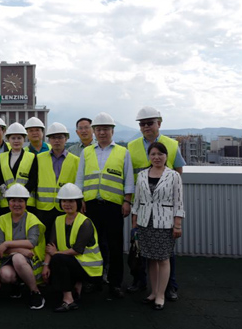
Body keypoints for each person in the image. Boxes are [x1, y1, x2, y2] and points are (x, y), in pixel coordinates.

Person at [127, 106, 186, 300]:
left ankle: (169, 286)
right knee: (142, 250)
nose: (146, 127)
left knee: (166, 252)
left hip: (163, 211)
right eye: (142, 124)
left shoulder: (172, 145)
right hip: (142, 208)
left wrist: (177, 220)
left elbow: (178, 172)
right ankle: (141, 282)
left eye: (149, 123)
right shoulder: (131, 146)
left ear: (159, 123)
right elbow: (130, 177)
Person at [75, 112, 134, 299]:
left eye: (106, 129)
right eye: (99, 129)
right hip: (91, 205)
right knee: (93, 245)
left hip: (113, 205)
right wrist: (80, 199)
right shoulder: (86, 152)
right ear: (94, 131)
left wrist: (127, 201)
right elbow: (80, 178)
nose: (102, 133)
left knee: (116, 246)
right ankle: (94, 280)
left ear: (112, 131)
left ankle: (115, 283)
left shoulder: (123, 152)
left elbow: (129, 179)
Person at [132, 142, 184, 310]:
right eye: (153, 154)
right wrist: (134, 222)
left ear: (166, 156)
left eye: (160, 154)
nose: (156, 157)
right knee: (150, 259)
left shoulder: (173, 175)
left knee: (163, 258)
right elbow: (137, 200)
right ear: (149, 156)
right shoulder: (142, 175)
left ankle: (161, 294)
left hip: (165, 223)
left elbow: (178, 202)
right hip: (145, 221)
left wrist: (177, 225)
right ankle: (153, 292)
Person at [42, 183, 102, 313]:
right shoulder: (58, 220)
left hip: (89, 268)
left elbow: (77, 250)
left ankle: (68, 300)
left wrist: (56, 253)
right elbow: (51, 245)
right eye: (64, 201)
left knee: (57, 259)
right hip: (71, 262)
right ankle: (75, 288)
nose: (67, 204)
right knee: (56, 261)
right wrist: (45, 265)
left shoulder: (85, 222)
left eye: (71, 201)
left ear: (78, 203)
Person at [0, 184, 46, 310]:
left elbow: (31, 243)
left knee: (18, 258)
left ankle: (35, 292)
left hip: (30, 259)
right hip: (10, 258)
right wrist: (20, 250)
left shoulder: (32, 219)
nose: (17, 204)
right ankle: (16, 283)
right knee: (5, 275)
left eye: (20, 201)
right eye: (13, 200)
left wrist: (7, 244)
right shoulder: (1, 220)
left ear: (26, 203)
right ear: (8, 203)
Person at [34, 122, 79, 230]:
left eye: (60, 137)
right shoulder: (38, 158)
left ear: (66, 139)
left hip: (66, 207)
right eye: (53, 138)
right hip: (43, 208)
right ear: (49, 140)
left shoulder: (76, 160)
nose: (57, 141)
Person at [0, 122, 38, 214]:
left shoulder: (31, 157)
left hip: (26, 202)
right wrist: (8, 194)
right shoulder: (2, 157)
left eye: (19, 138)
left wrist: (21, 195)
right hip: (6, 202)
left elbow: (33, 179)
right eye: (13, 138)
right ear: (8, 139)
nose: (16, 141)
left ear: (24, 139)